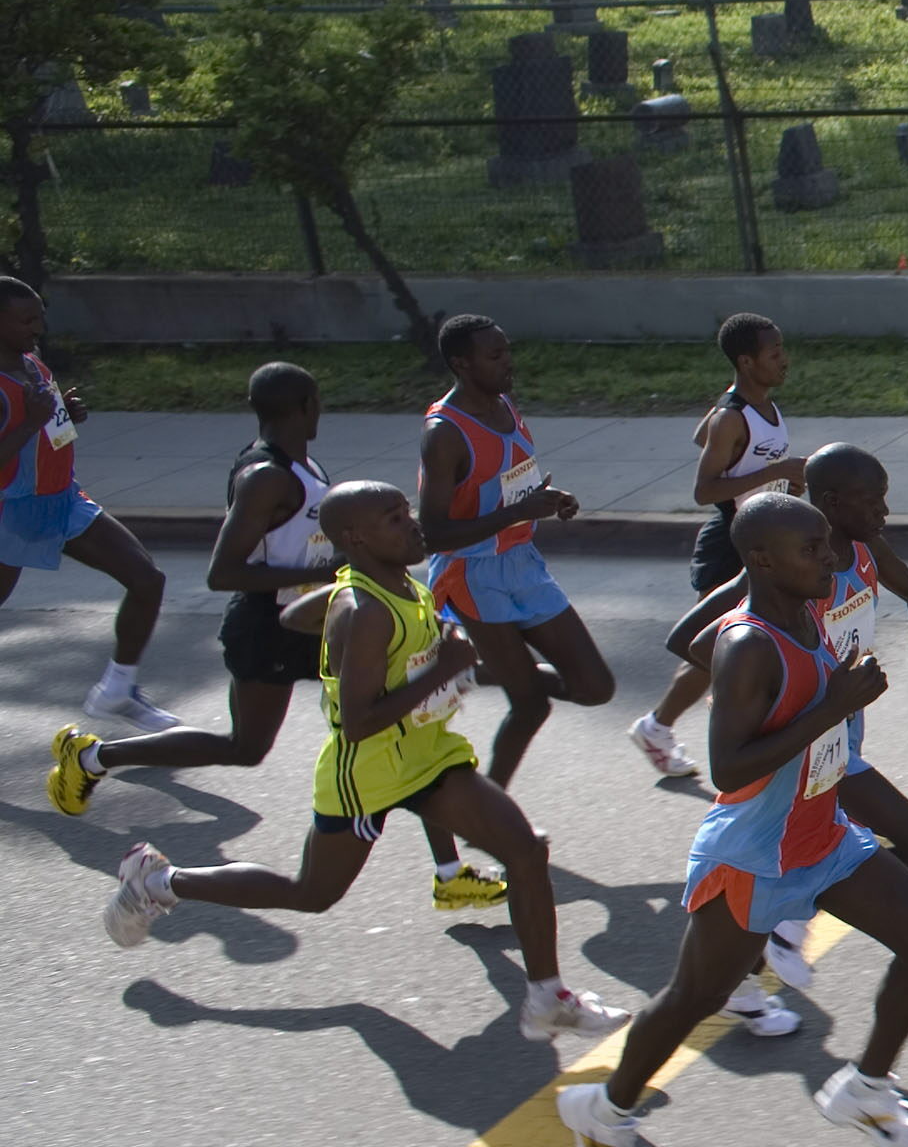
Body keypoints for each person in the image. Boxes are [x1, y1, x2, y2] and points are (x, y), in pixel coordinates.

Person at [97, 480, 627, 1042]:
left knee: (526, 850)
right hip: (365, 770)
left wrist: (354, 621)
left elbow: (292, 617)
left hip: (425, 755)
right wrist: (439, 667)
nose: (414, 522)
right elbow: (359, 721)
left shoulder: (393, 583)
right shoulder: (367, 609)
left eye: (407, 511)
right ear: (354, 538)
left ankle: (548, 997)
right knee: (311, 894)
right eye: (394, 518)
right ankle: (162, 881)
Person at [555, 493, 908, 1147]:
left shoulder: (804, 606)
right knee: (692, 998)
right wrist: (835, 706)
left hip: (823, 831)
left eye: (827, 544)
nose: (829, 558)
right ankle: (605, 1109)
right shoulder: (747, 643)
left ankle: (866, 1086)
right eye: (813, 548)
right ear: (761, 560)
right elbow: (730, 769)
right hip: (756, 851)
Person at [49, 362, 505, 914]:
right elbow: (224, 572)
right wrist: (329, 570)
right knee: (247, 747)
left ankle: (450, 872)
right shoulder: (266, 476)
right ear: (308, 406)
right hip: (269, 629)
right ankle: (95, 756)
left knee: (412, 720)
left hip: (316, 619)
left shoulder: (301, 463)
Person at [662, 442, 908, 1020]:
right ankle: (780, 931)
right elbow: (690, 640)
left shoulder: (864, 550)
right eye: (873, 501)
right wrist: (747, 680)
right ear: (830, 503)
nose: (884, 513)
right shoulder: (794, 570)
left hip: (838, 741)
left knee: (890, 858)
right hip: (807, 749)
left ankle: (755, 964)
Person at [417, 313, 617, 782]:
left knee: (595, 687)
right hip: (471, 572)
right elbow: (433, 533)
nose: (509, 362)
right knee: (529, 705)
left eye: (507, 350)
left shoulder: (505, 402)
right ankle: (495, 811)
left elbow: (507, 483)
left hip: (523, 563)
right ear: (462, 364)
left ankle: (469, 667)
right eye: (495, 355)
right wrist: (517, 512)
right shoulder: (444, 434)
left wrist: (548, 499)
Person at [630, 312, 805, 781]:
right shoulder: (735, 416)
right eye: (774, 354)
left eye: (782, 350)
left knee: (737, 647)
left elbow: (701, 436)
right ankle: (662, 724)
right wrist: (777, 472)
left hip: (760, 537)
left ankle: (665, 723)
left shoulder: (757, 406)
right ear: (746, 362)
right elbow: (705, 490)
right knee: (721, 649)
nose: (784, 361)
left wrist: (781, 487)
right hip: (730, 544)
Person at [0, 276, 173, 731]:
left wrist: (64, 415)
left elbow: (47, 430)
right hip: (9, 511)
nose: (38, 326)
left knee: (147, 578)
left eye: (39, 315)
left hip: (61, 500)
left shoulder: (33, 365)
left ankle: (117, 690)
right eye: (26, 319)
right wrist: (32, 421)